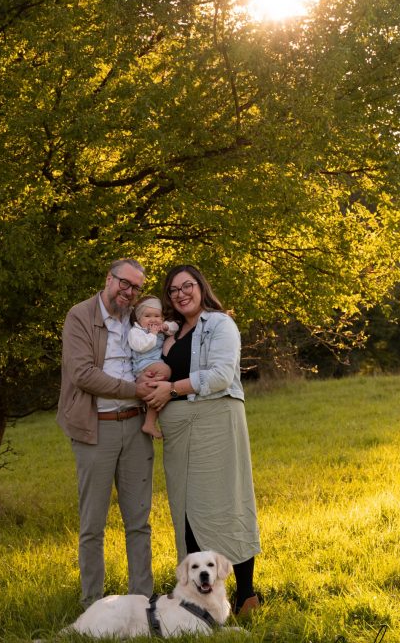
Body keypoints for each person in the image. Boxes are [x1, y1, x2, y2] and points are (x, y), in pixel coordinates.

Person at [144, 264, 261, 617]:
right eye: (173, 290)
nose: (181, 294)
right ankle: (201, 601)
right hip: (179, 432)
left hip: (214, 423)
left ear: (201, 287)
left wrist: (172, 388)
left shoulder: (220, 324)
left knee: (225, 506)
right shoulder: (173, 332)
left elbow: (224, 375)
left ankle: (246, 596)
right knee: (187, 512)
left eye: (187, 286)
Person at [57, 258, 155, 608]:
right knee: (93, 525)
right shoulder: (80, 316)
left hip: (136, 425)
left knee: (139, 521)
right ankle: (93, 606)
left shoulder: (136, 319)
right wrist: (135, 389)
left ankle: (143, 602)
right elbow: (82, 374)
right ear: (108, 279)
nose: (128, 292)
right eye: (123, 284)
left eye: (135, 288)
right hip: (95, 428)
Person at [128, 295, 178, 438]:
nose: (153, 319)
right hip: (143, 365)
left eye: (157, 316)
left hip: (152, 366)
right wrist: (153, 334)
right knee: (166, 371)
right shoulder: (135, 332)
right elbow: (141, 346)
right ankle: (149, 422)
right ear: (138, 318)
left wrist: (166, 326)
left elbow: (176, 327)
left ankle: (149, 424)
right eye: (148, 316)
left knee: (156, 393)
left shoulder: (160, 327)